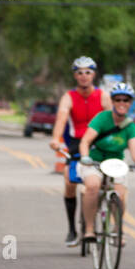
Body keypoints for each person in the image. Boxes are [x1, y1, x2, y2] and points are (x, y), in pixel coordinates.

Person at [75, 81, 135, 242]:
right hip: (94, 161)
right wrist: (85, 157)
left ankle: (118, 229)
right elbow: (85, 141)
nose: (122, 103)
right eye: (118, 99)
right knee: (92, 186)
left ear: (130, 103)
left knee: (120, 195)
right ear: (112, 101)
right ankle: (89, 230)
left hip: (116, 164)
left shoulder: (130, 126)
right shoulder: (102, 118)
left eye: (126, 100)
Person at [49, 56, 104, 246]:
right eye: (79, 72)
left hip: (98, 143)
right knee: (69, 181)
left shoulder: (103, 96)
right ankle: (72, 229)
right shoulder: (69, 97)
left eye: (88, 72)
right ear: (75, 75)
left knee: (106, 180)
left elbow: (113, 117)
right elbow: (62, 117)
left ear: (93, 74)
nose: (84, 76)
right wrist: (56, 139)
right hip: (75, 143)